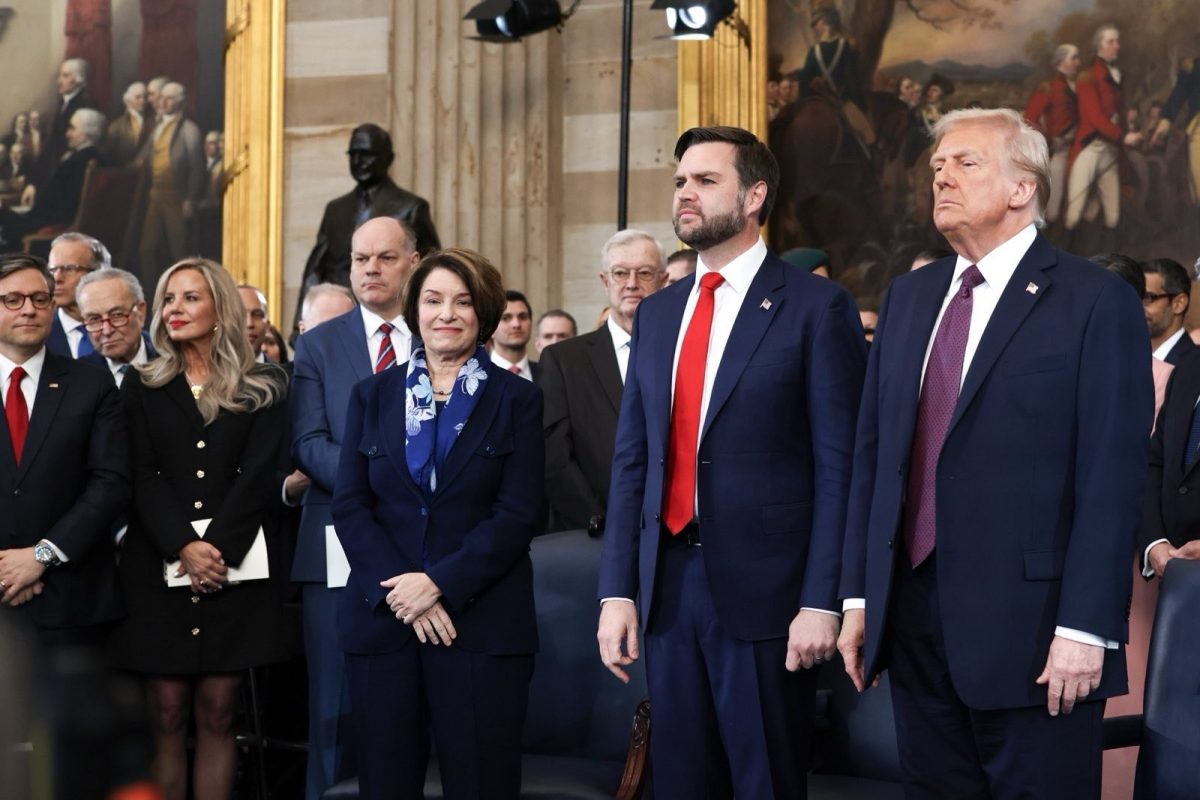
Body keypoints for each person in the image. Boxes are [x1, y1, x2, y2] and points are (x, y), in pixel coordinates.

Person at [838, 107, 1150, 797]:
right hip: (914, 623)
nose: (941, 176)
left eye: (965, 163)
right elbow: (875, 458)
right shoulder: (909, 298)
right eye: (936, 167)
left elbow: (1111, 475)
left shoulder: (1094, 300)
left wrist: (1086, 628)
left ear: (1022, 188)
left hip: (1038, 634)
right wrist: (860, 596)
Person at [596, 126, 866, 799]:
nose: (685, 193)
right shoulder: (657, 314)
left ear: (754, 196)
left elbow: (841, 468)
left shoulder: (814, 306)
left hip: (770, 596)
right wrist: (617, 590)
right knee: (682, 782)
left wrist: (821, 600)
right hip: (667, 590)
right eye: (681, 180)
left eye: (705, 181)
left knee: (763, 782)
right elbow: (633, 461)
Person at [332, 248, 544, 800]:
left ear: (484, 314)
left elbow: (519, 513)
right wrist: (405, 589)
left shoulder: (518, 399)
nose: (446, 313)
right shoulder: (371, 395)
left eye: (462, 301)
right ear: (415, 310)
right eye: (433, 300)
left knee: (481, 783)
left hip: (480, 625)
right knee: (385, 784)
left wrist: (439, 584)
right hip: (386, 621)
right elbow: (350, 505)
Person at [108, 257, 289, 800]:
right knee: (165, 713)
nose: (175, 310)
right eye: (169, 299)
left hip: (235, 572)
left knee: (217, 712)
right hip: (158, 569)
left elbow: (260, 475)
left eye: (190, 297)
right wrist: (183, 545)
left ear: (219, 308)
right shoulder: (141, 386)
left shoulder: (265, 383)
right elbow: (138, 475)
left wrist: (217, 552)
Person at [290, 217, 420, 800]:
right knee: (333, 708)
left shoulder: (437, 331)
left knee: (417, 704)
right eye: (360, 259)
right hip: (338, 543)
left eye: (385, 258)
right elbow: (309, 443)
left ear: (412, 263)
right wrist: (385, 481)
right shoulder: (319, 343)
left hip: (427, 547)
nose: (371, 268)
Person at [0, 253, 129, 650]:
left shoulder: (91, 381)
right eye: (13, 300)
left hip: (73, 601)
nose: (29, 310)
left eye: (40, 299)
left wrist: (40, 557)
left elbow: (110, 481)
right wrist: (7, 572)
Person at [541, 229, 665, 534]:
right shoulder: (564, 359)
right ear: (604, 281)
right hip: (593, 534)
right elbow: (553, 452)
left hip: (672, 537)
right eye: (620, 273)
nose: (632, 284)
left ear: (663, 281)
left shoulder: (684, 352)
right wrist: (600, 517)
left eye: (644, 273)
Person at [295, 123, 440, 332]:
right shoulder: (336, 209)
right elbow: (315, 267)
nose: (359, 162)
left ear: (388, 159)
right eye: (353, 155)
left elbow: (431, 268)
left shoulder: (411, 207)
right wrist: (301, 318)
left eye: (367, 155)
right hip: (339, 319)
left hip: (391, 318)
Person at [1065, 25, 1137, 248]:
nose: (1117, 46)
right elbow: (1094, 116)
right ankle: (1067, 258)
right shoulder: (1087, 76)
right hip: (1090, 147)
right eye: (1111, 42)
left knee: (1113, 215)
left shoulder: (1116, 76)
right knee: (1075, 211)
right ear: (1100, 46)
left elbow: (1120, 113)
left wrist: (1126, 132)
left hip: (1110, 150)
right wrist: (1122, 136)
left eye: (1117, 41)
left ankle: (1107, 264)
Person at [0, 109, 104, 247]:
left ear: (87, 133)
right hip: (54, 218)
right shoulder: (98, 158)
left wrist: (35, 199)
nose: (67, 134)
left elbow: (57, 200)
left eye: (72, 129)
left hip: (49, 224)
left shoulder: (75, 161)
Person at [137, 82, 204, 287]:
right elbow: (143, 157)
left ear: (181, 102)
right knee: (146, 249)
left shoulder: (189, 130)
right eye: (162, 97)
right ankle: (150, 293)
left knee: (179, 251)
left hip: (176, 197)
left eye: (170, 98)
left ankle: (184, 291)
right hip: (155, 196)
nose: (163, 102)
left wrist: (190, 199)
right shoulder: (158, 128)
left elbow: (197, 167)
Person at [1024, 44, 1081, 224]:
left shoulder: (1081, 86)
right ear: (1061, 61)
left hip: (1080, 147)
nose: (1078, 63)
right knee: (1054, 209)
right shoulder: (1048, 87)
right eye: (1074, 58)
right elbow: (1029, 120)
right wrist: (1050, 140)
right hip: (1060, 151)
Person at [76, 267, 156, 386]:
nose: (107, 331)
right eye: (94, 319)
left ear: (140, 313)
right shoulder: (77, 378)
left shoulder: (174, 364)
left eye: (117, 315)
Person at [46, 232, 112, 358]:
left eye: (70, 268)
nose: (57, 278)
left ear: (99, 274)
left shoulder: (127, 333)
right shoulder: (38, 335)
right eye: (52, 269)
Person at [1142, 257, 1194, 364]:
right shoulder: (1127, 359)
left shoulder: (1195, 365)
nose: (1137, 307)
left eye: (1148, 297)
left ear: (1179, 303)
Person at [489, 289, 538, 382]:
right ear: (490, 327)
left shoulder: (546, 374)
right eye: (506, 318)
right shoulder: (476, 375)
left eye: (522, 317)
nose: (516, 324)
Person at [105, 82, 150, 167]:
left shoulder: (153, 120)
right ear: (128, 100)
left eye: (145, 97)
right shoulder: (116, 126)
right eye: (138, 97)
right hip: (125, 171)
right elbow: (110, 154)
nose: (142, 101)